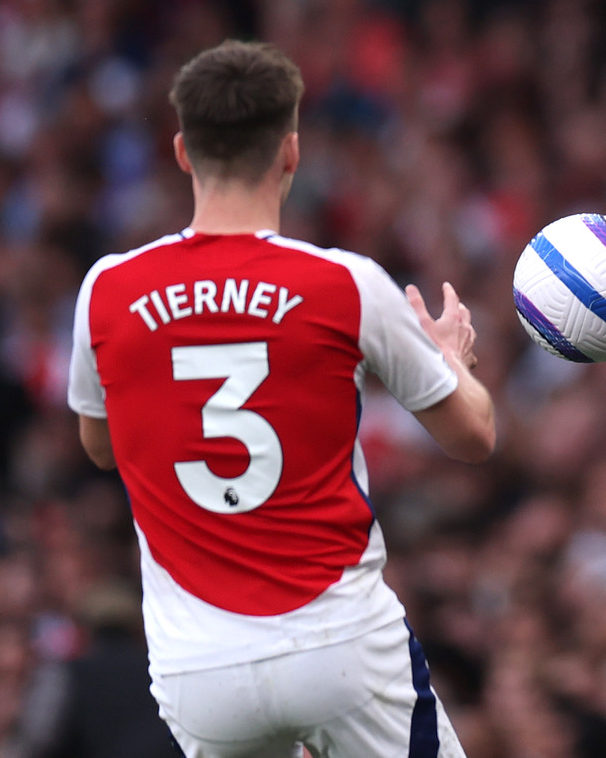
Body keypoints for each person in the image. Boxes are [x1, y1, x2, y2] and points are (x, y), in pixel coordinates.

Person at [67, 40, 495, 758]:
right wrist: (453, 358)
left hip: (200, 668)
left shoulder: (107, 288)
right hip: (340, 645)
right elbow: (472, 437)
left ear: (181, 151)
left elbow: (98, 447)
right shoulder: (345, 283)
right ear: (291, 151)